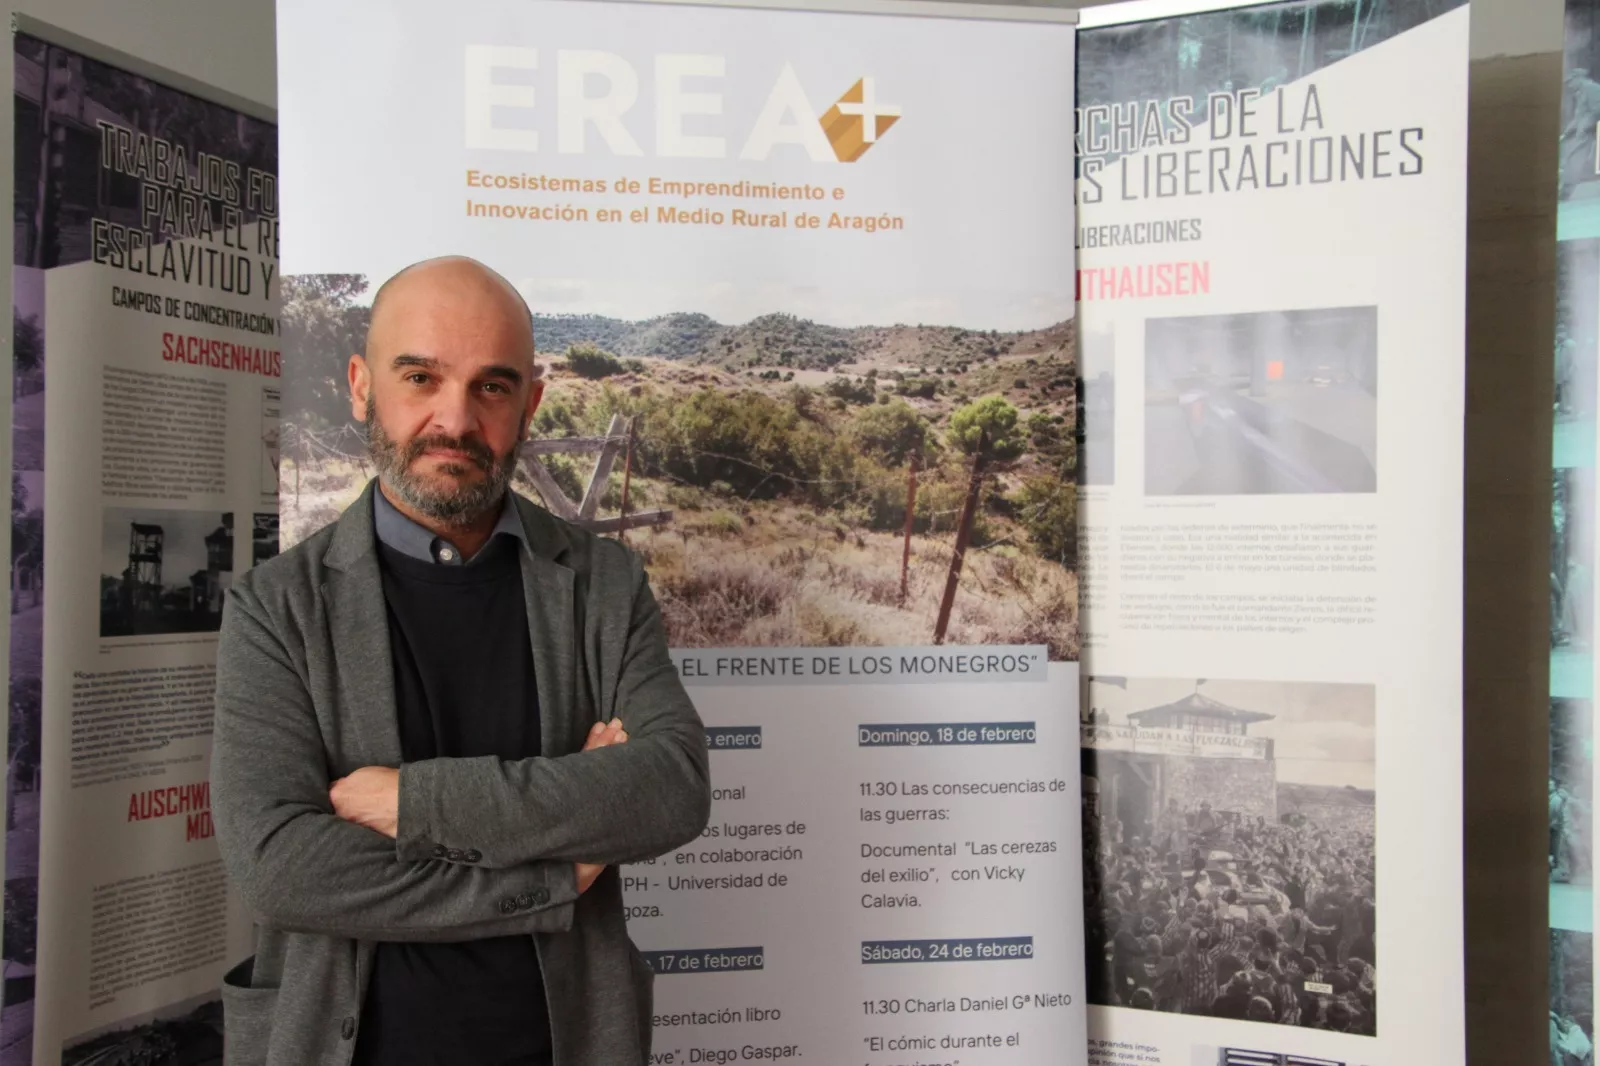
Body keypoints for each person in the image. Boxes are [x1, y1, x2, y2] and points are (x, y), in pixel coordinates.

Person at [211, 256, 712, 1066]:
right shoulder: (276, 607)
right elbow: (280, 868)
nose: (456, 419)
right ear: (361, 385)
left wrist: (415, 801)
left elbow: (672, 789)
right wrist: (557, 874)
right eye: (420, 376)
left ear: (530, 403)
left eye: (492, 386)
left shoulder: (602, 583)